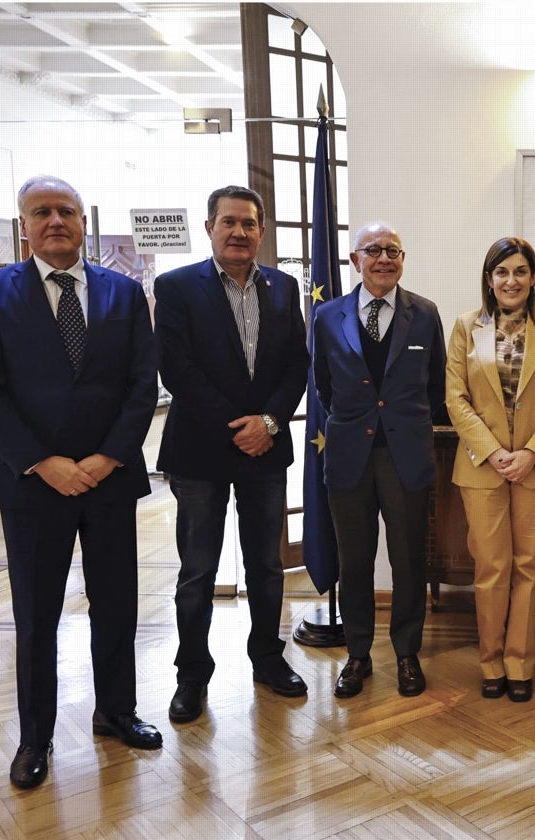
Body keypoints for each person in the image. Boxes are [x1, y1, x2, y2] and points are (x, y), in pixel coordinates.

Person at [0, 175, 162, 789]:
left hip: (108, 479)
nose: (56, 221)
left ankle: (116, 711)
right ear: (23, 224)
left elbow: (140, 385)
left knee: (116, 606)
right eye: (42, 212)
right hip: (32, 485)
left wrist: (108, 457)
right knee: (37, 615)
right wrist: (42, 461)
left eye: (66, 211)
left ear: (83, 222)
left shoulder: (124, 294)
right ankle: (35, 737)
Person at [155, 185, 309, 723]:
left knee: (267, 566)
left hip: (265, 451)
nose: (239, 232)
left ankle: (267, 658)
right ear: (209, 227)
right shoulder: (174, 287)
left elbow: (297, 363)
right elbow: (176, 369)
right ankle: (191, 674)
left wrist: (268, 422)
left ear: (261, 231)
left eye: (249, 223)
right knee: (197, 572)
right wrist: (236, 426)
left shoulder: (286, 288)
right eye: (229, 222)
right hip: (200, 452)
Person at [313, 222, 448, 700]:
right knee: (354, 562)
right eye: (374, 250)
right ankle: (358, 655)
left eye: (393, 249)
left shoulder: (425, 314)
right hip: (349, 457)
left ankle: (407, 653)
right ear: (355, 259)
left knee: (409, 559)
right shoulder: (327, 317)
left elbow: (436, 389)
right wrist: (358, 423)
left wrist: (400, 424)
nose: (384, 258)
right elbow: (324, 387)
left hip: (405, 456)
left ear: (403, 258)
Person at [445, 237, 535, 702]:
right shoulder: (465, 327)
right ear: (489, 279)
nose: (511, 280)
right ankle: (491, 662)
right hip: (482, 465)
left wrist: (531, 452)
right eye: (502, 272)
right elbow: (455, 398)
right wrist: (495, 452)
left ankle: (521, 664)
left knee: (529, 568)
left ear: (534, 278)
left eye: (520, 271)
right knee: (491, 567)